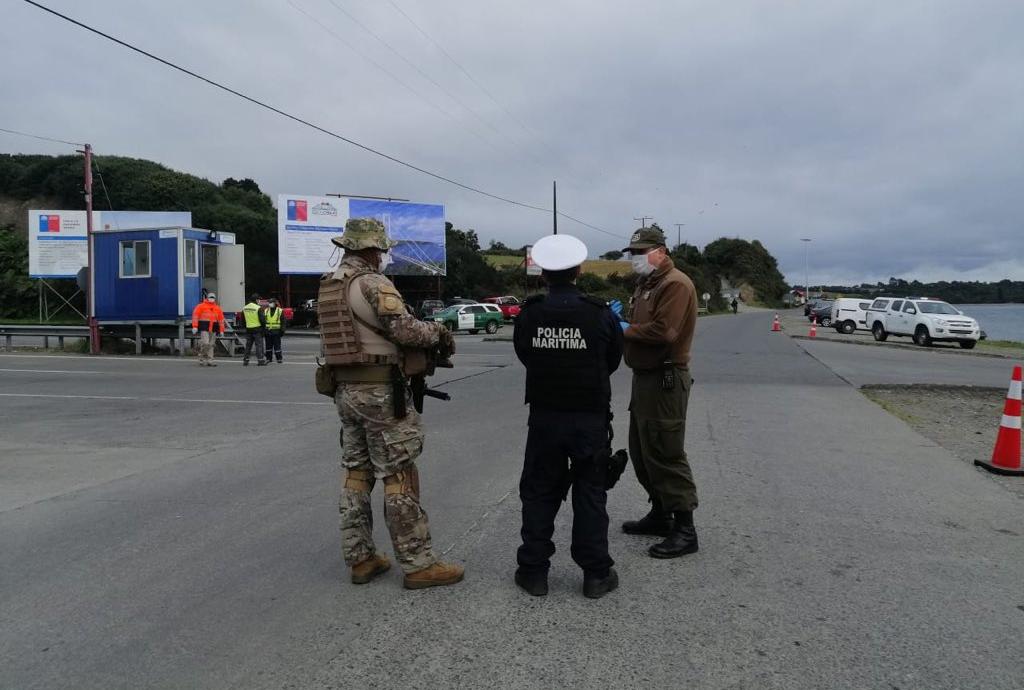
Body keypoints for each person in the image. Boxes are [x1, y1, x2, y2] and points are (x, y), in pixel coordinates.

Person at [318, 217, 463, 590]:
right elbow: (405, 330)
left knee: (356, 471)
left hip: (345, 391)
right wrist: (439, 331)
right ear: (371, 249)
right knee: (398, 473)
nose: (382, 257)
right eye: (380, 250)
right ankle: (418, 563)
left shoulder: (329, 284)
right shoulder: (373, 282)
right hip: (380, 391)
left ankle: (361, 558)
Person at [512, 234, 624, 599]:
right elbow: (612, 362)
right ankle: (595, 574)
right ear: (579, 270)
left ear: (543, 273)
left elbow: (525, 355)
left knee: (539, 491)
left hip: (545, 417)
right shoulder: (600, 313)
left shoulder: (530, 314)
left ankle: (533, 572)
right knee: (590, 493)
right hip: (588, 418)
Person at [619, 226, 701, 558]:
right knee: (642, 449)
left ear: (661, 251)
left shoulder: (675, 284)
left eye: (642, 252)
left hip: (666, 378)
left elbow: (664, 332)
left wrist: (624, 329)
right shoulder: (647, 284)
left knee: (665, 451)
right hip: (645, 377)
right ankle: (660, 513)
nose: (636, 258)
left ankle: (685, 528)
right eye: (633, 253)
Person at [191, 292, 226, 367]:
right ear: (207, 298)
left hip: (213, 328)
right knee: (206, 343)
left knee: (211, 345)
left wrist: (222, 330)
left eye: (213, 297)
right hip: (204, 327)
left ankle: (210, 361)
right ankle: (201, 357)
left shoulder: (217, 308)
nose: (212, 299)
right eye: (210, 297)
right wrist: (195, 326)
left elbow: (221, 320)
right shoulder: (200, 306)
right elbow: (195, 316)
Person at [242, 293, 267, 366]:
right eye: (259, 299)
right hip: (257, 329)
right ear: (256, 300)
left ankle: (246, 361)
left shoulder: (245, 308)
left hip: (249, 329)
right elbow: (262, 320)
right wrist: (264, 328)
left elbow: (243, 320)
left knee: (248, 346)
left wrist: (246, 327)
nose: (259, 301)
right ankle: (260, 360)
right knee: (259, 345)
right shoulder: (258, 308)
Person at [263, 298, 285, 363]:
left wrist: (282, 331)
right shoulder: (266, 310)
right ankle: (269, 358)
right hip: (268, 331)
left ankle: (279, 358)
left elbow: (283, 322)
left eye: (271, 302)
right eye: (269, 303)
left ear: (275, 303)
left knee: (277, 346)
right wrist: (264, 331)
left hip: (276, 331)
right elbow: (263, 321)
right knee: (268, 347)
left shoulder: (280, 311)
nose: (270, 304)